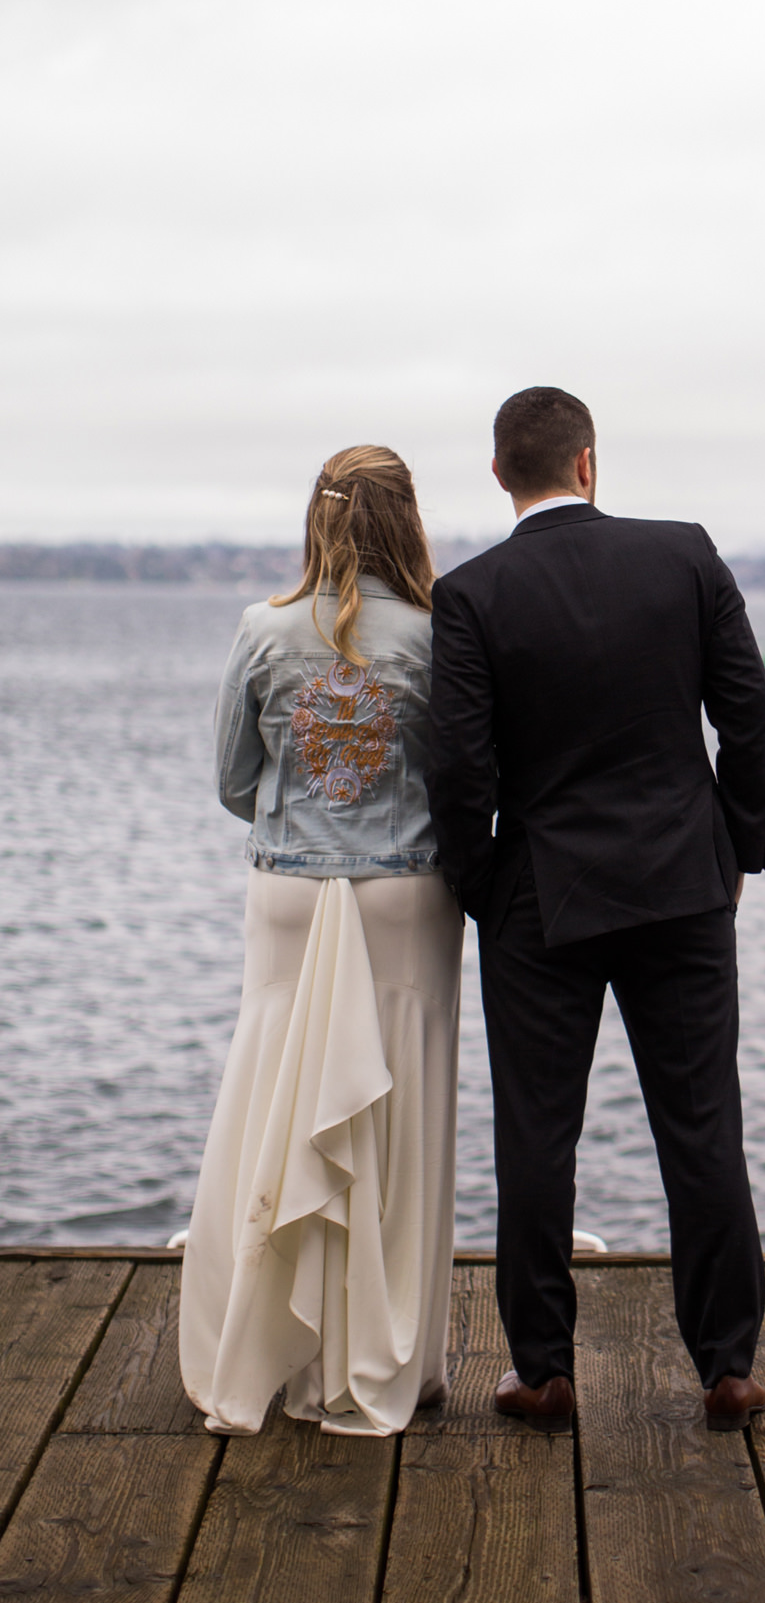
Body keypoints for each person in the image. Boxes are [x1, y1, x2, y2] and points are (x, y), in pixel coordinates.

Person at [426, 385, 765, 1432]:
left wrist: (484, 887)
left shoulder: (473, 594)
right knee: (704, 1127)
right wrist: (735, 853)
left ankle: (543, 1372)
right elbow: (748, 715)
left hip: (541, 896)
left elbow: (459, 772)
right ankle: (727, 1369)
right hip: (682, 886)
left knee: (538, 1137)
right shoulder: (683, 554)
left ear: (502, 477)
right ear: (588, 463)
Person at [179, 446, 463, 1437]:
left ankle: (268, 1356)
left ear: (318, 517)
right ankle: (391, 1362)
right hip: (406, 892)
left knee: (270, 1099)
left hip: (289, 894)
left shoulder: (260, 630)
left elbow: (230, 780)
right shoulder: (440, 636)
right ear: (408, 521)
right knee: (399, 1121)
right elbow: (469, 781)